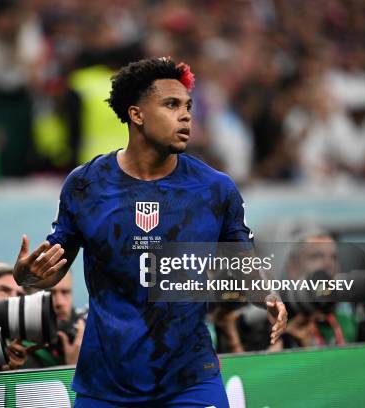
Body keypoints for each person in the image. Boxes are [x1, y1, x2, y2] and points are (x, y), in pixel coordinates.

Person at [14, 57, 287, 407]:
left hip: (189, 379)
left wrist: (267, 294)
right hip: (106, 382)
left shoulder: (215, 189)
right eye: (171, 105)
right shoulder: (86, 185)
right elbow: (51, 271)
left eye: (188, 105)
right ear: (137, 115)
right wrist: (27, 276)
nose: (186, 114)